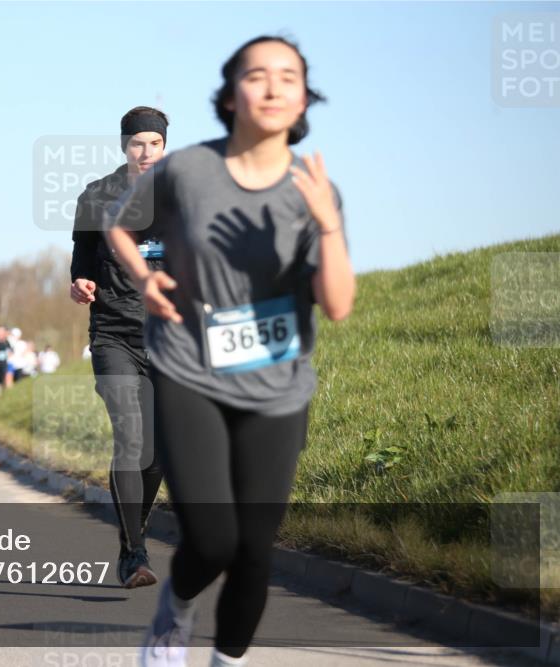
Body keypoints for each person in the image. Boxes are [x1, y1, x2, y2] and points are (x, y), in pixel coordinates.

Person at [105, 36, 355, 667]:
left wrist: (327, 225)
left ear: (303, 98)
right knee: (213, 540)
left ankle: (227, 659)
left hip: (277, 385)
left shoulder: (314, 188)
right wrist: (143, 276)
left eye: (288, 77)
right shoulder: (186, 170)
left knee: (254, 551)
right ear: (230, 93)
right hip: (191, 371)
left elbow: (339, 303)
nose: (272, 86)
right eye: (257, 75)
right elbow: (118, 225)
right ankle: (176, 613)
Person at [71, 105, 170, 588]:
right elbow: (83, 258)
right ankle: (134, 553)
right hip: (113, 333)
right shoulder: (97, 196)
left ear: (165, 146)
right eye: (137, 143)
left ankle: (136, 533)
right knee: (130, 438)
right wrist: (80, 282)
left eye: (154, 143)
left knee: (154, 456)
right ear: (123, 146)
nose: (145, 151)